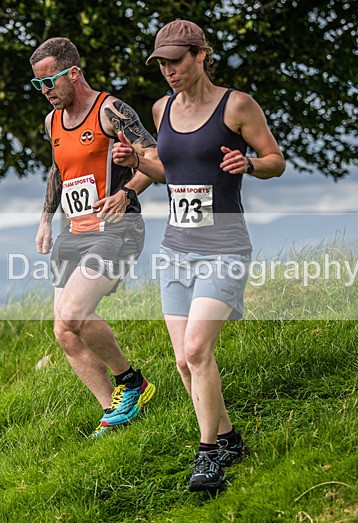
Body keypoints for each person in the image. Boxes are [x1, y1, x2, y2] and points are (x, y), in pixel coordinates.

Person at [113, 19, 286, 491]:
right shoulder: (161, 108)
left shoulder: (237, 105)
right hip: (176, 250)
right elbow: (173, 171)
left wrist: (248, 164)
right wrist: (138, 164)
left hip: (225, 246)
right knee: (183, 362)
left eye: (176, 61)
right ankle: (228, 436)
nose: (169, 71)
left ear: (201, 55)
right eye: (162, 63)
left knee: (197, 348)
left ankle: (207, 454)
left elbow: (276, 159)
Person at [29, 37, 159, 439]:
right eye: (38, 85)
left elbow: (154, 159)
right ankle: (115, 411)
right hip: (75, 232)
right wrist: (46, 219)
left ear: (73, 73)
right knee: (63, 330)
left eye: (49, 82)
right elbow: (58, 170)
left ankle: (131, 381)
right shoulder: (52, 122)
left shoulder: (111, 111)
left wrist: (127, 192)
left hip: (118, 229)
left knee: (74, 313)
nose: (45, 92)